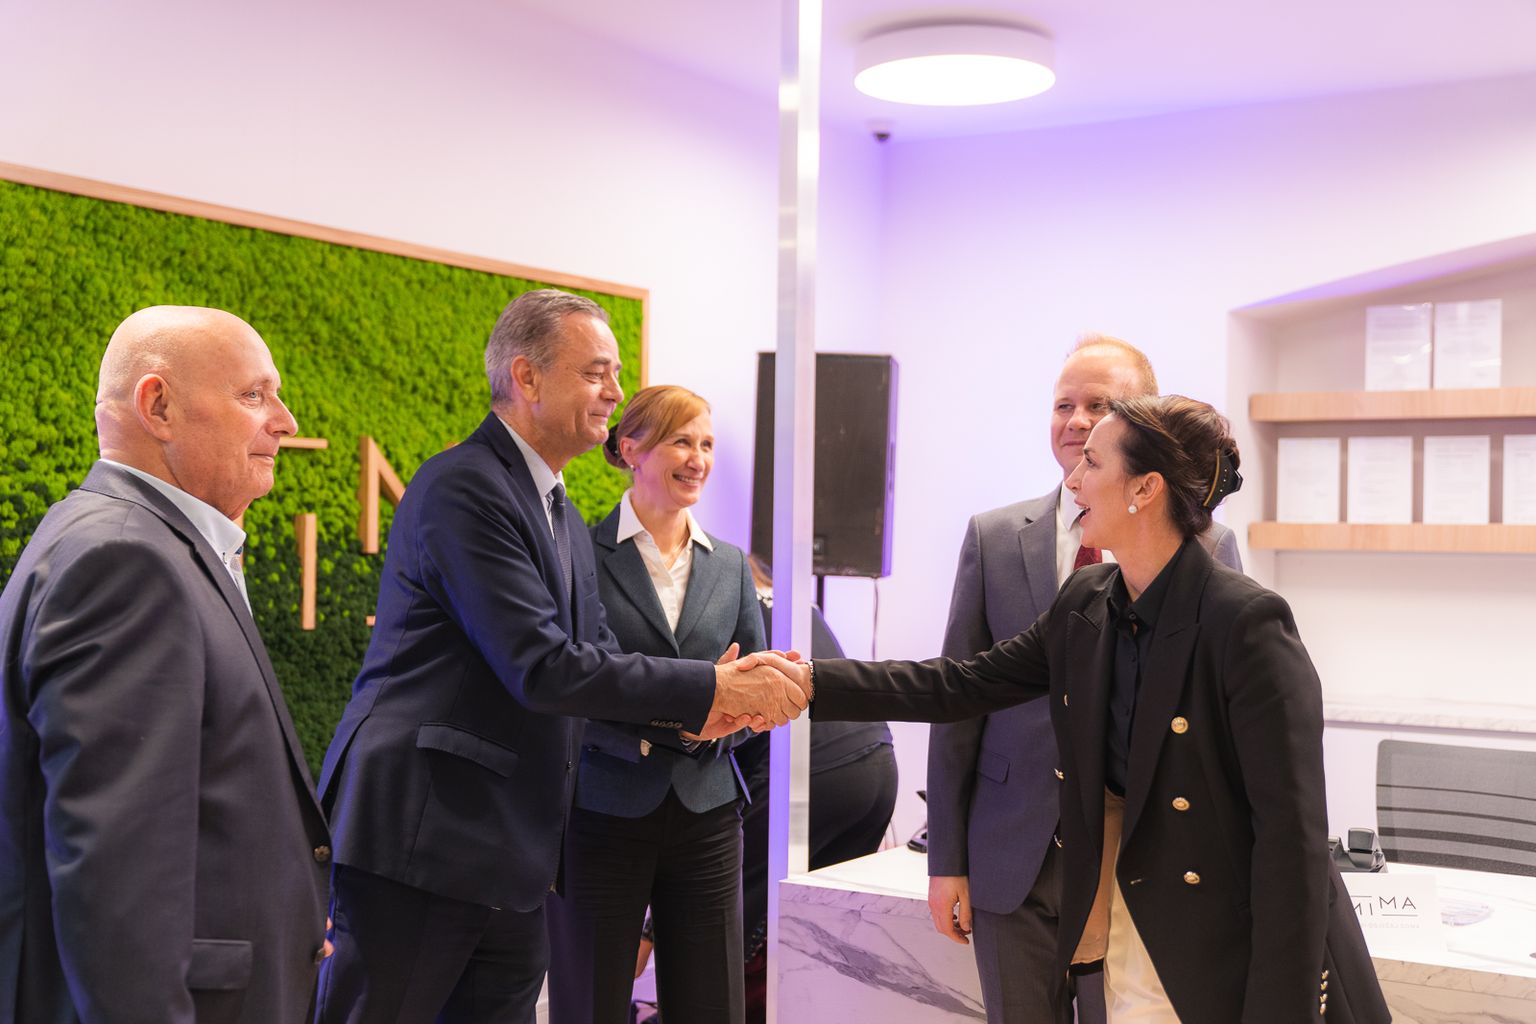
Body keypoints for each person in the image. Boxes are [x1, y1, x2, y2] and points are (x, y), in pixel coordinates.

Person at [758, 395, 1390, 1023]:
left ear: (1144, 489)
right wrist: (809, 681)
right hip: (1127, 926)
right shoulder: (1087, 601)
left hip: (1227, 947)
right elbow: (962, 683)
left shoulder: (1246, 623)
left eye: (1092, 462)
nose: (1073, 479)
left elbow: (1291, 844)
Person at [315, 290, 806, 1024]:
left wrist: (701, 717)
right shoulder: (464, 486)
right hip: (426, 839)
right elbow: (542, 665)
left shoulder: (564, 516)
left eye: (616, 375)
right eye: (596, 373)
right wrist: (711, 687)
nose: (614, 392)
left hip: (514, 856)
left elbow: (595, 659)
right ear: (527, 377)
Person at [0, 306, 332, 1023]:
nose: (284, 421)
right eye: (254, 395)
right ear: (158, 407)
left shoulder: (135, 543)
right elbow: (115, 878)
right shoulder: (127, 561)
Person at [926, 336, 1241, 1023]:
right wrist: (945, 858)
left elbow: (1218, 725)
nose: (1075, 421)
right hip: (1013, 856)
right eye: (1063, 404)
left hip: (1136, 863)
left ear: (1143, 425)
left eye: (1099, 406)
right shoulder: (993, 536)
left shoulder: (1206, 548)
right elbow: (959, 697)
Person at [545, 385, 764, 1024]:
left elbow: (753, 685)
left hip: (707, 814)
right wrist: (697, 711)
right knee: (590, 1002)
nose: (698, 459)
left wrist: (718, 726)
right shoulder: (579, 554)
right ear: (632, 448)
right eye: (681, 441)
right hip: (601, 810)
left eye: (706, 444)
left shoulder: (731, 566)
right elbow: (570, 683)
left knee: (712, 1004)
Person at [735, 556, 897, 1024]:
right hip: (876, 763)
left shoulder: (729, 603)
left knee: (733, 918)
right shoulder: (796, 602)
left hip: (811, 772)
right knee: (817, 927)